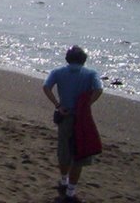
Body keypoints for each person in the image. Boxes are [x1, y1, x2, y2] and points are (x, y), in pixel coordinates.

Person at [43, 45, 104, 201]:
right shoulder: (90, 73)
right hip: (81, 117)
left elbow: (46, 87)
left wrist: (57, 105)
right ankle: (70, 191)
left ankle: (64, 181)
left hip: (65, 115)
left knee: (64, 151)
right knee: (79, 154)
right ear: (83, 60)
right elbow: (99, 89)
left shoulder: (58, 72)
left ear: (67, 59)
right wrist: (88, 103)